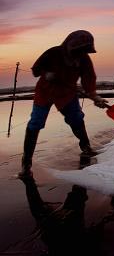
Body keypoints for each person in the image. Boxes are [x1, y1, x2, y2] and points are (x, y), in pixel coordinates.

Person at [19, 30, 108, 178]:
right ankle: (26, 164)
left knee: (76, 118)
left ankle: (86, 147)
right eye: (78, 50)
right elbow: (36, 70)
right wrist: (46, 73)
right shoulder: (52, 53)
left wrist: (95, 97)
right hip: (45, 92)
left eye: (84, 50)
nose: (80, 54)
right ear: (70, 45)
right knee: (35, 123)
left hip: (67, 93)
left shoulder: (84, 60)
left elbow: (89, 80)